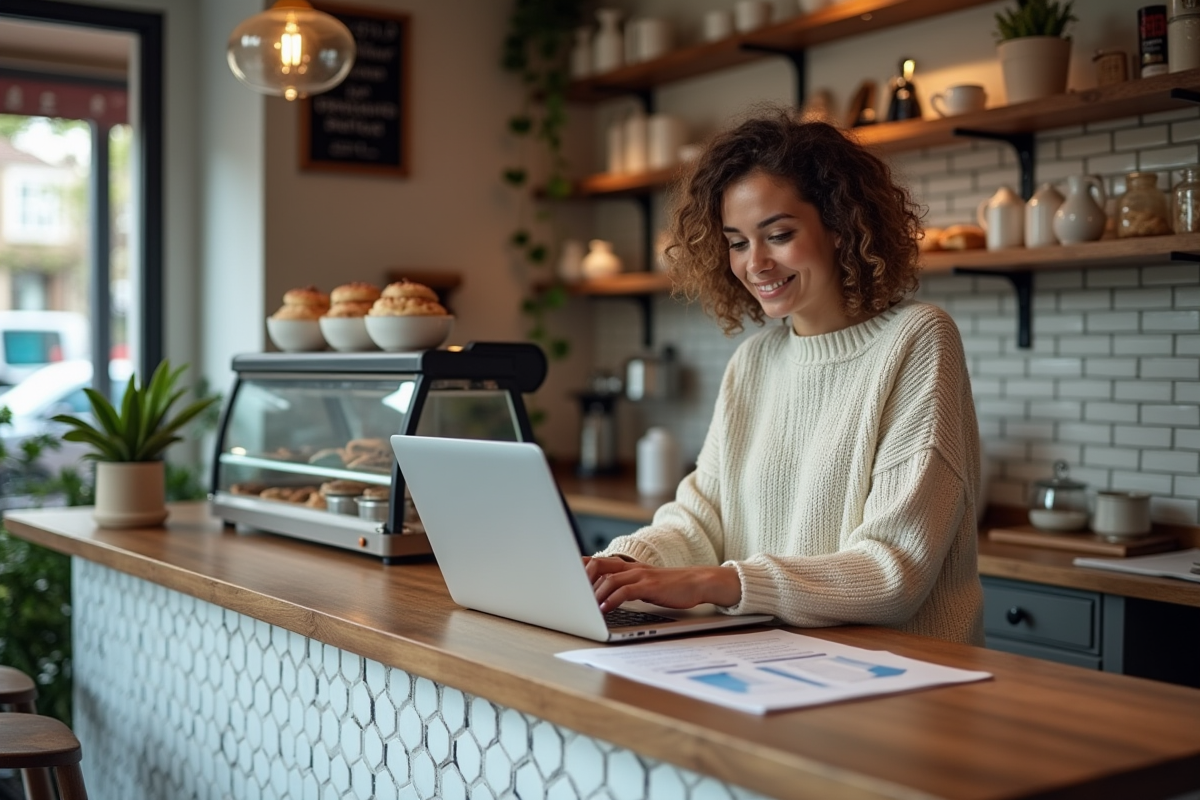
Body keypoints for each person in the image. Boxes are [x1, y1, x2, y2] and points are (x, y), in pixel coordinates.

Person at [585, 108, 984, 645]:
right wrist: (622, 565)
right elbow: (701, 520)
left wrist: (719, 582)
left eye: (778, 234)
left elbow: (895, 573)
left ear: (841, 226)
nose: (756, 264)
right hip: (775, 667)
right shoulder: (753, 361)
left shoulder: (917, 340)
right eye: (737, 241)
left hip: (903, 682)